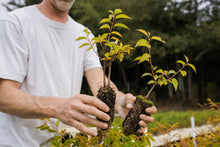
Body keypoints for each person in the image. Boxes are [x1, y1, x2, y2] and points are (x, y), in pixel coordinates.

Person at [0, 0, 157, 146]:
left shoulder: (84, 34)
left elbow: (98, 81)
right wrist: (57, 107)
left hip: (62, 143)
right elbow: (4, 96)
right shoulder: (15, 23)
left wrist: (122, 102)